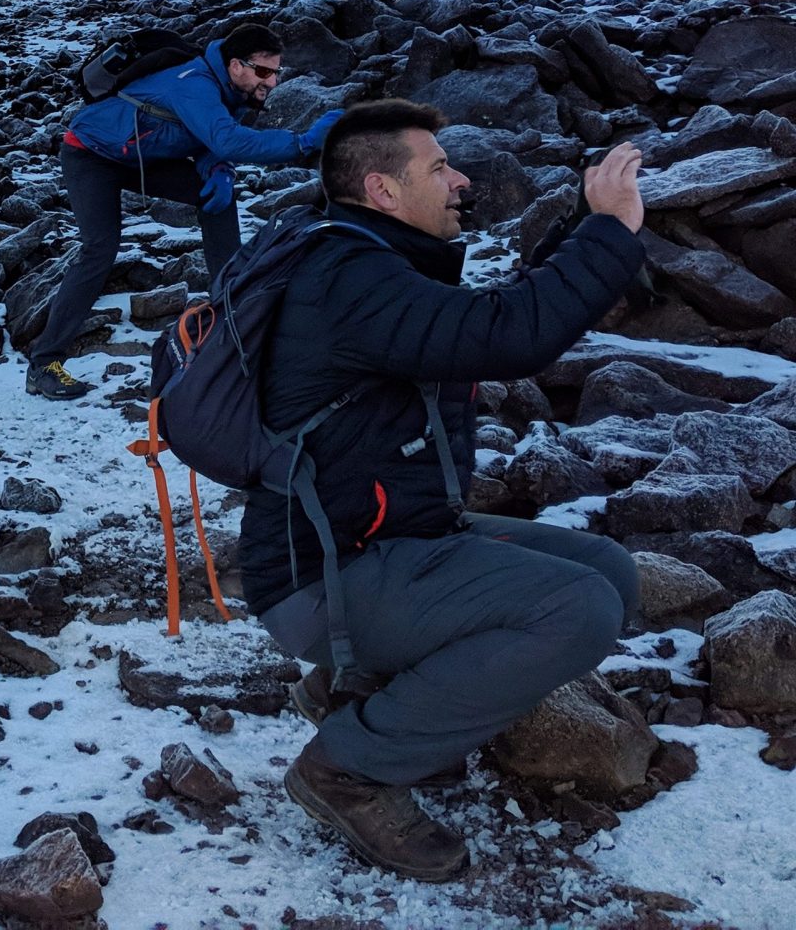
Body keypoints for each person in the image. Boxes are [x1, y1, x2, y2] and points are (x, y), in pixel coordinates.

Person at [239, 99, 646, 881]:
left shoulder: (370, 264)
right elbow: (508, 337)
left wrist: (579, 234)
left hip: (386, 542)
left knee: (608, 572)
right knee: (578, 607)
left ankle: (361, 689)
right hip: (324, 576)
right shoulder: (348, 278)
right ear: (383, 191)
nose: (460, 180)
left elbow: (486, 317)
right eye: (438, 167)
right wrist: (609, 231)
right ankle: (346, 769)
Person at [26, 21, 341, 398]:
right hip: (89, 154)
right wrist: (303, 143)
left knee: (217, 203)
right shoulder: (194, 82)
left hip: (142, 156)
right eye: (263, 71)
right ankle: (44, 363)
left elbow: (210, 142)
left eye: (276, 72)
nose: (271, 82)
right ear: (236, 65)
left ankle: (231, 322)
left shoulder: (234, 92)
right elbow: (226, 138)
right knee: (100, 248)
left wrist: (219, 170)